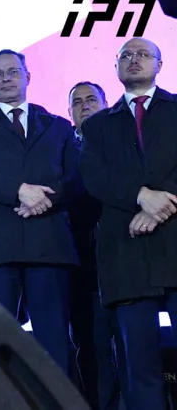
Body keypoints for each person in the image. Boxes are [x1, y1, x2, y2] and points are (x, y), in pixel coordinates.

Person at [0, 49, 81, 372]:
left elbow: (77, 177)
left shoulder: (58, 126)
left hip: (49, 245)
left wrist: (45, 200)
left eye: (13, 71)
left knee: (54, 344)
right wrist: (19, 191)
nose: (6, 78)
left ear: (28, 77)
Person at [80, 37, 177, 410]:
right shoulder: (98, 125)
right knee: (140, 369)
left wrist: (159, 204)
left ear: (159, 63)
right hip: (126, 256)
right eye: (125, 55)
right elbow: (94, 176)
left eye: (142, 55)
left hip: (173, 242)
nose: (133, 60)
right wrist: (141, 196)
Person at [67, 81, 125, 409]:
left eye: (92, 99)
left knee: (133, 351)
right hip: (81, 271)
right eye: (78, 102)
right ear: (69, 112)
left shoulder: (123, 145)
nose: (85, 105)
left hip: (125, 266)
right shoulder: (63, 151)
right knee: (90, 351)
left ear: (105, 105)